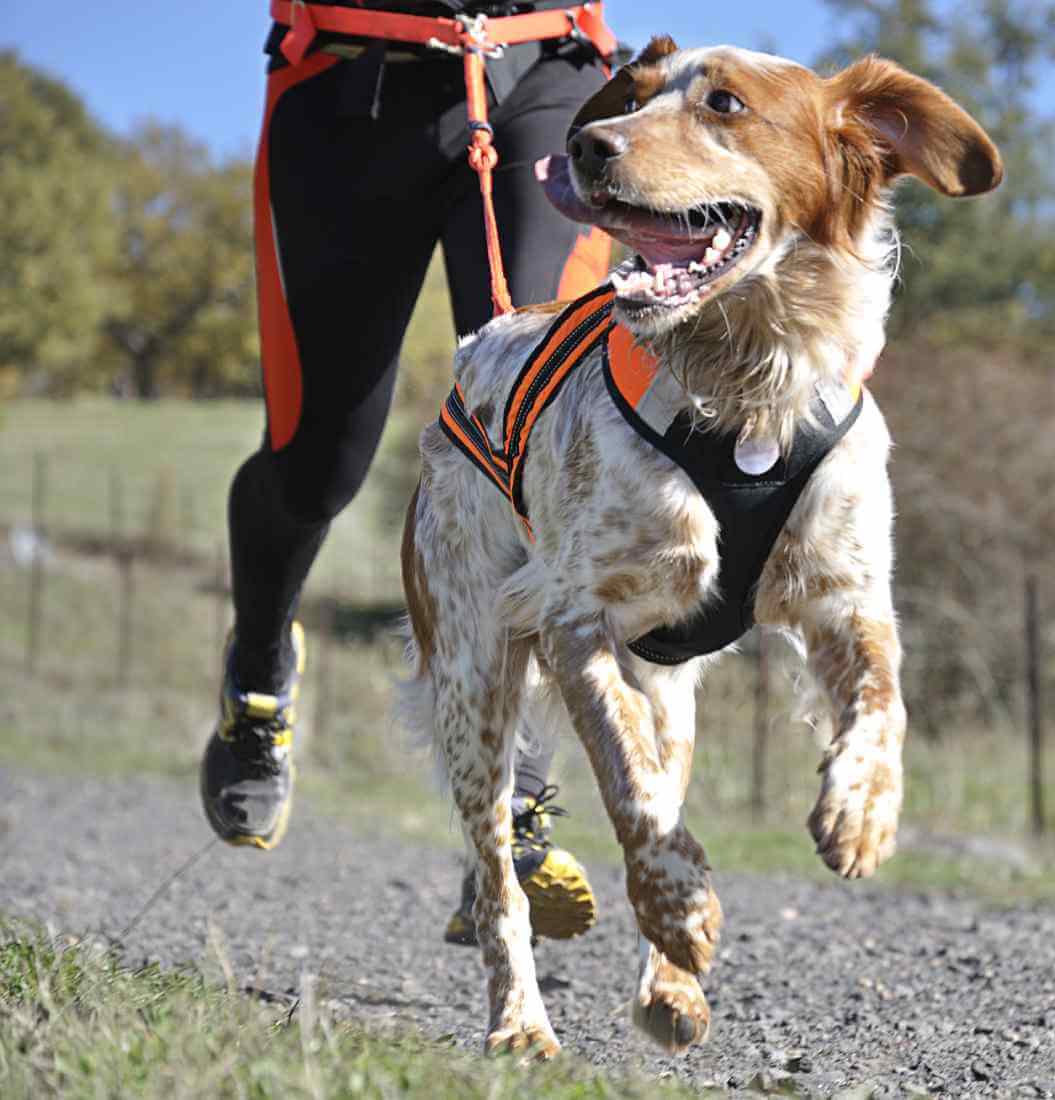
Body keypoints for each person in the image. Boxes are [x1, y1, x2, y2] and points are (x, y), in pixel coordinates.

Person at [199, 0, 617, 947]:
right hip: (347, 86)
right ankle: (258, 672)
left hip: (543, 77)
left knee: (535, 436)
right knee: (317, 463)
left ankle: (509, 806)